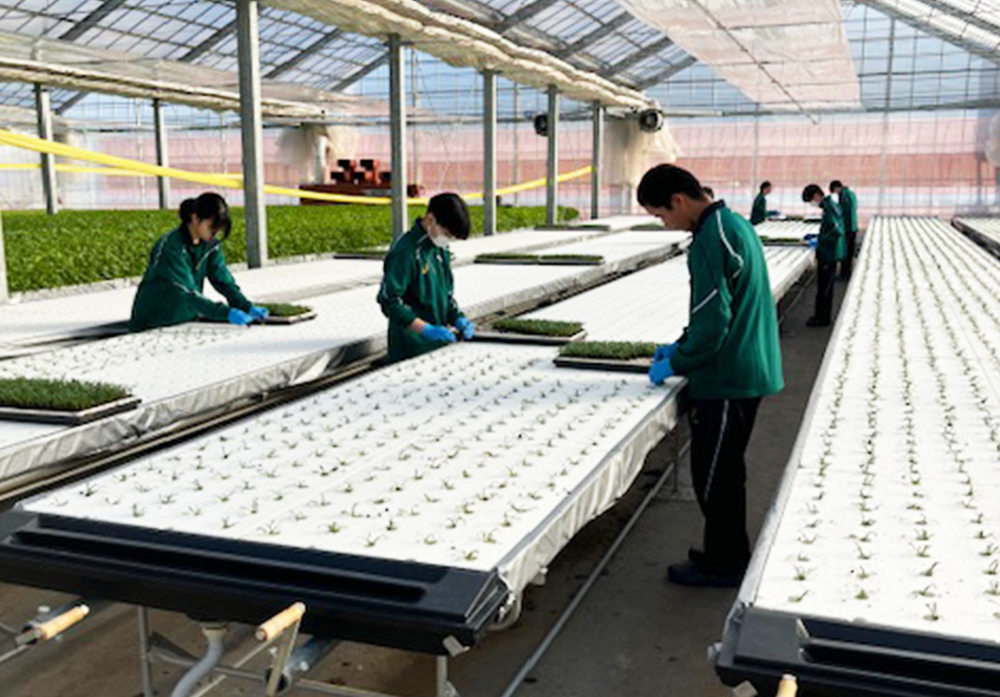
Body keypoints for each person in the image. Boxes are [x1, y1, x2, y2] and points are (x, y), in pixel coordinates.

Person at [639, 164, 784, 587]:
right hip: (743, 366)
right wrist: (680, 343)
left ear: (679, 200)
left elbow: (713, 322)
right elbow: (715, 310)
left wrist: (678, 360)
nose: (665, 224)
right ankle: (725, 551)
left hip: (728, 377)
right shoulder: (733, 224)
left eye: (661, 215)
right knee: (724, 469)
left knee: (715, 474)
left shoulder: (709, 239)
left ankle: (726, 565)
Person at [129, 193, 268, 332]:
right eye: (212, 226)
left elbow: (223, 281)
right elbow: (187, 292)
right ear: (195, 218)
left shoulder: (210, 246)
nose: (215, 233)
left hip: (185, 321)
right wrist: (225, 313)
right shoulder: (171, 248)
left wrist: (245, 306)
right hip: (153, 322)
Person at [377, 193, 475, 363]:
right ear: (431, 219)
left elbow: (446, 295)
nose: (447, 239)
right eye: (446, 233)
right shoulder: (406, 251)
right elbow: (389, 301)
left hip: (437, 345)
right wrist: (425, 329)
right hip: (410, 349)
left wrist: (458, 318)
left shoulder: (440, 250)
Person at [802, 184, 845, 327]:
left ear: (816, 195)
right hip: (829, 252)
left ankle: (822, 318)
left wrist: (821, 240)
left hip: (828, 253)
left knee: (824, 287)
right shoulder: (829, 205)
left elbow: (836, 231)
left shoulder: (829, 207)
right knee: (825, 286)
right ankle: (822, 316)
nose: (812, 204)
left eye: (811, 201)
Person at [829, 180, 858, 279]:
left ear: (836, 188)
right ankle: (846, 272)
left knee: (846, 252)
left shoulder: (845, 196)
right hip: (852, 227)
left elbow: (845, 213)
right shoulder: (850, 194)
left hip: (848, 228)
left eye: (834, 192)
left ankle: (845, 274)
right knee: (849, 252)